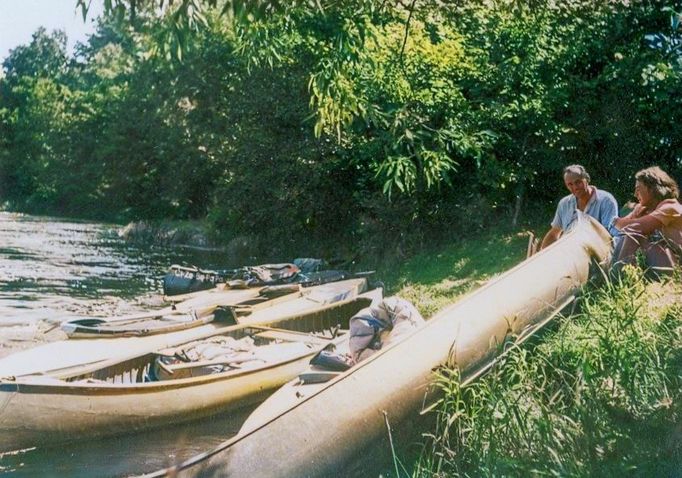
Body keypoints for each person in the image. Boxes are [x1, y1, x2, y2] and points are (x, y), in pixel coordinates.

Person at [612, 166, 682, 273]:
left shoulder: (670, 207)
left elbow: (632, 227)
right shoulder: (646, 208)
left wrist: (616, 221)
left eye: (638, 189)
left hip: (677, 263)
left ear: (652, 188)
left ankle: (616, 276)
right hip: (663, 260)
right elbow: (624, 226)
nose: (635, 194)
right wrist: (635, 213)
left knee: (634, 234)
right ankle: (613, 273)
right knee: (625, 235)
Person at [540, 165, 619, 250]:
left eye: (578, 182)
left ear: (587, 180)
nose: (575, 187)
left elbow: (608, 236)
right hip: (567, 251)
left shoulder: (606, 200)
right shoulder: (564, 204)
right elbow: (554, 233)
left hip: (594, 252)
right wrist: (541, 254)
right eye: (570, 184)